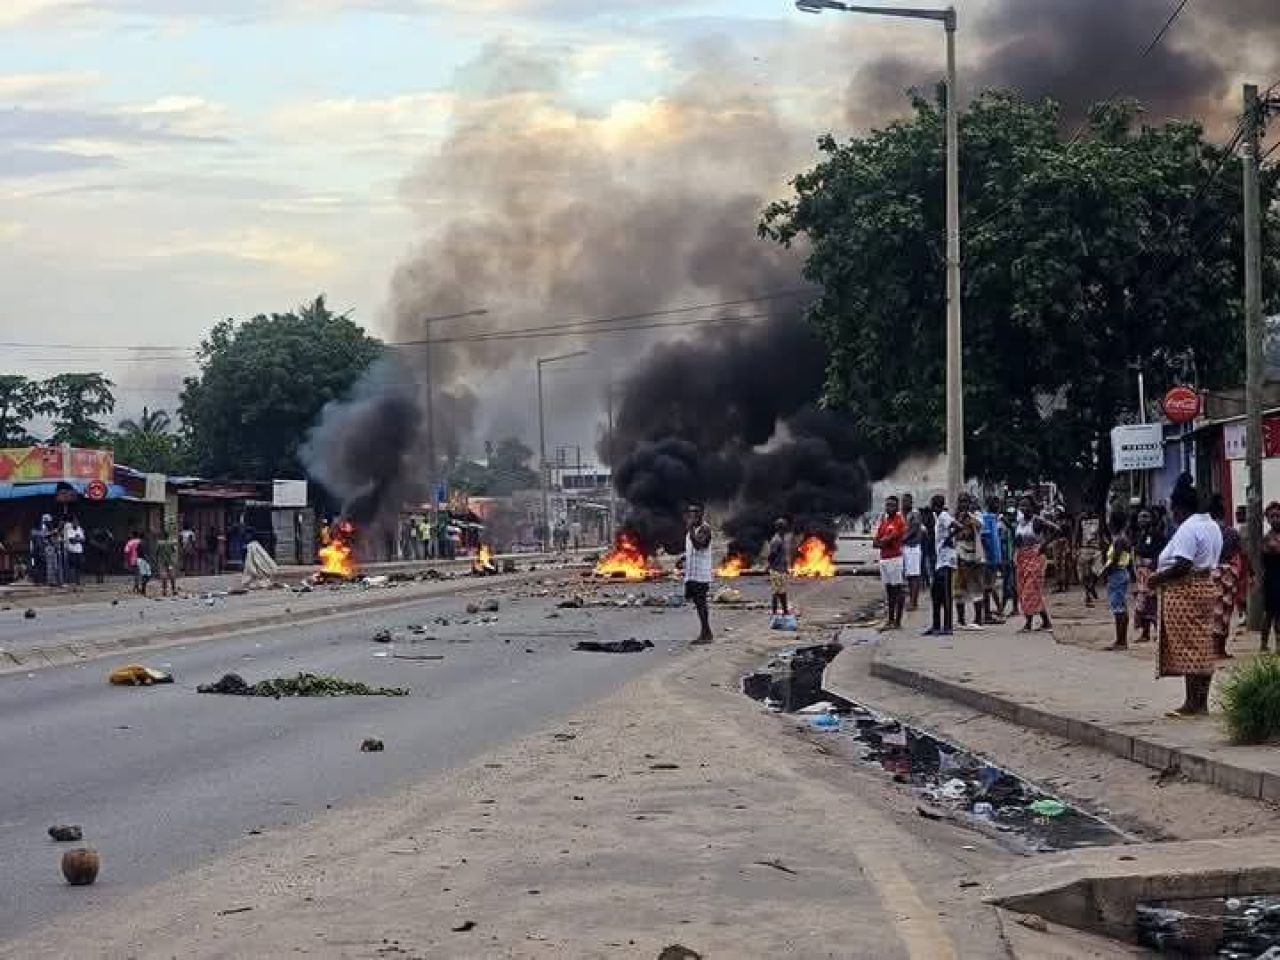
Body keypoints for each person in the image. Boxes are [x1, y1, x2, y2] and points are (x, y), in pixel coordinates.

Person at [1149, 477, 1222, 717]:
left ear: (1179, 508)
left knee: (1191, 646)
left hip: (1186, 591)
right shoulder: (1211, 525)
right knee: (1202, 644)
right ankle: (1200, 702)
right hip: (1205, 587)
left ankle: (1194, 703)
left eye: (1172, 510)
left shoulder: (1189, 529)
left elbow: (1182, 564)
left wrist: (1157, 578)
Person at [1014, 495, 1056, 633]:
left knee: (1030, 590)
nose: (1023, 508)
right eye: (1021, 506)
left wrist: (1044, 545)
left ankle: (1028, 623)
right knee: (1024, 589)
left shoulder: (1037, 521)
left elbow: (1056, 529)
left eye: (1026, 505)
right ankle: (1046, 622)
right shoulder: (1020, 521)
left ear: (1032, 507)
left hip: (1035, 557)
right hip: (1022, 557)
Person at [1209, 495, 1242, 659]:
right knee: (1225, 613)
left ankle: (1214, 648)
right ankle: (1220, 649)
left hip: (1212, 572)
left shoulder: (1207, 533)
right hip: (1228, 574)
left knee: (1213, 613)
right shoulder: (1232, 532)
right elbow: (1240, 553)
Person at [923, 493, 955, 636]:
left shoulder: (944, 516)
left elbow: (957, 526)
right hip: (940, 561)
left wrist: (950, 538)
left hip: (946, 561)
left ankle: (947, 626)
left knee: (946, 594)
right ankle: (936, 625)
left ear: (936, 505)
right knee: (936, 594)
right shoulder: (938, 518)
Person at [1132, 509, 1166, 644]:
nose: (1142, 520)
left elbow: (1160, 553)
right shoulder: (1140, 535)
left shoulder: (1157, 535)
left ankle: (1158, 632)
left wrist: (1153, 566)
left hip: (1151, 572)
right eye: (1140, 517)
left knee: (1153, 602)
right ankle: (1145, 633)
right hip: (1141, 574)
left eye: (1145, 517)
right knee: (1142, 604)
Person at [1101, 511, 1132, 650]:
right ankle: (1120, 640)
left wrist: (1104, 572)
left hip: (1117, 574)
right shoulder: (1120, 538)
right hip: (1119, 573)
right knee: (1120, 607)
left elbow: (1114, 560)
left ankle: (1121, 641)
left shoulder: (1119, 540)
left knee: (1118, 608)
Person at [874, 496, 907, 630]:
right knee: (889, 592)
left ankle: (898, 621)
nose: (889, 508)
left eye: (892, 505)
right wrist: (882, 542)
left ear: (897, 507)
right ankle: (890, 620)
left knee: (897, 590)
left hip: (895, 559)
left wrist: (883, 541)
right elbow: (875, 542)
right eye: (887, 505)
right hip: (884, 559)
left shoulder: (899, 521)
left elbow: (890, 538)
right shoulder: (884, 522)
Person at [952, 493, 984, 630]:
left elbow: (979, 525)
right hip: (959, 555)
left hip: (973, 556)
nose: (963, 504)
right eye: (961, 501)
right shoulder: (954, 517)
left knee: (975, 587)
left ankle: (978, 619)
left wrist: (969, 517)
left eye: (965, 501)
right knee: (958, 588)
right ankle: (960, 620)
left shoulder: (975, 515)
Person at [684, 503, 714, 645]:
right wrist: (684, 558)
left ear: (701, 514)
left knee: (701, 603)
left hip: (701, 575)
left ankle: (706, 633)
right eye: (690, 513)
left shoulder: (704, 529)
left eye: (695, 513)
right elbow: (693, 550)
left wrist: (690, 529)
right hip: (692, 573)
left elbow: (699, 545)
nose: (692, 516)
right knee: (697, 603)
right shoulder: (693, 530)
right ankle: (706, 632)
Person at [981, 496, 1005, 624]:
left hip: (995, 558)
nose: (997, 506)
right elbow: (984, 538)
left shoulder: (994, 518)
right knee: (988, 586)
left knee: (990, 585)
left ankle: (995, 610)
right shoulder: (986, 518)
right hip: (988, 558)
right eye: (994, 503)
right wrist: (987, 556)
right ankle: (988, 613)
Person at [1260, 502, 1280, 652]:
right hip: (1272, 579)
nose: (1275, 519)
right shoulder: (1267, 539)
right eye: (1272, 516)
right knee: (1270, 613)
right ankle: (1264, 643)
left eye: (1278, 516)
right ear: (1267, 519)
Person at [1076, 505, 1105, 607]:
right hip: (1084, 548)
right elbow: (1077, 532)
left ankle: (1092, 586)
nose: (1090, 509)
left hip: (1096, 548)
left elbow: (1102, 532)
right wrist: (1075, 546)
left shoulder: (1098, 518)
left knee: (1098, 570)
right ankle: (1087, 594)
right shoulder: (1081, 518)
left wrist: (1102, 545)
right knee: (1085, 574)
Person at [901, 493, 924, 612]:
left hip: (913, 547)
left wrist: (899, 539)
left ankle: (914, 602)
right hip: (905, 548)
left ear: (911, 502)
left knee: (914, 576)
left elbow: (913, 530)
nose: (904, 504)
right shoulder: (902, 515)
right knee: (908, 576)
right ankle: (910, 600)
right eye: (903, 501)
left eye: (907, 501)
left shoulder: (914, 514)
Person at [766, 518, 792, 617]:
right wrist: (770, 566)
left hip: (781, 570)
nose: (786, 530)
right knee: (776, 592)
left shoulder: (781, 539)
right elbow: (772, 555)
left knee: (782, 591)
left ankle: (785, 611)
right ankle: (774, 612)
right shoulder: (776, 540)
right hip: (776, 570)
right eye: (784, 527)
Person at [999, 507, 1018, 617]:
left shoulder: (1015, 526)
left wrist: (1004, 520)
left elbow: (1014, 531)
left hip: (1013, 559)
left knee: (1012, 585)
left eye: (1011, 515)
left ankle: (1014, 608)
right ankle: (1003, 607)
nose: (1009, 517)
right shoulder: (1003, 527)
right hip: (1006, 559)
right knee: (1006, 584)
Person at [154, 525, 179, 597]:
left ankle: (164, 591)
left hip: (162, 562)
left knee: (164, 577)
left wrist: (156, 561)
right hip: (169, 562)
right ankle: (173, 590)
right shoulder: (170, 543)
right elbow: (174, 551)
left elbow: (157, 553)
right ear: (168, 536)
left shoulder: (159, 543)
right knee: (172, 576)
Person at [63, 516, 85, 589]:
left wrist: (77, 539)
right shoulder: (69, 529)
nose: (76, 523)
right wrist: (78, 539)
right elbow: (71, 540)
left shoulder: (80, 529)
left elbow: (83, 540)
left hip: (79, 551)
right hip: (72, 551)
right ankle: (71, 581)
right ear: (72, 523)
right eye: (74, 522)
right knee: (72, 567)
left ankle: (78, 581)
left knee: (79, 566)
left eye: (77, 522)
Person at [124, 530, 144, 594]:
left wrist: (126, 561)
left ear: (132, 535)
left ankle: (136, 588)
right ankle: (137, 588)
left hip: (133, 560)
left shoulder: (129, 542)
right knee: (139, 574)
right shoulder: (140, 541)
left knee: (136, 574)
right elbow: (143, 551)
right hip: (140, 560)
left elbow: (126, 552)